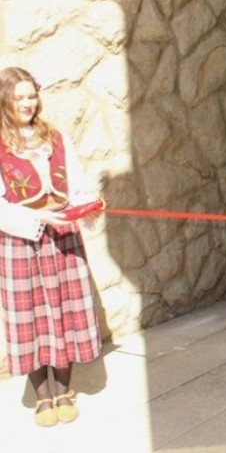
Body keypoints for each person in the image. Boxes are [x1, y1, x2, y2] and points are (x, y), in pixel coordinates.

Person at [0, 66, 102, 426]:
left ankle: (64, 391)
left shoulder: (54, 138)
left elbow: (77, 183)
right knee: (28, 316)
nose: (28, 103)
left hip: (62, 234)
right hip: (21, 239)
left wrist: (87, 204)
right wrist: (41, 219)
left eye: (31, 96)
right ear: (5, 100)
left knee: (65, 311)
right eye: (19, 97)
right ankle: (42, 397)